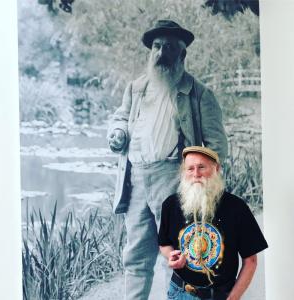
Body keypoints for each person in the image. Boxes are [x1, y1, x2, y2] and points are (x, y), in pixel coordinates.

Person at [108, 19, 228, 300]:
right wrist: (117, 133)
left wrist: (198, 181)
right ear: (150, 51)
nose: (161, 54)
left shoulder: (199, 94)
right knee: (136, 254)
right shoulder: (136, 88)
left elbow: (218, 146)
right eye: (157, 47)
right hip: (136, 178)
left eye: (169, 48)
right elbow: (121, 118)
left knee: (177, 254)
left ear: (182, 55)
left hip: (174, 180)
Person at [158, 146, 268, 300]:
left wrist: (233, 298)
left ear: (216, 168)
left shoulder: (237, 207)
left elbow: (250, 261)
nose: (196, 174)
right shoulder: (170, 205)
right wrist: (172, 255)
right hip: (180, 293)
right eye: (190, 169)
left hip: (221, 295)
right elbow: (164, 244)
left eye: (201, 167)